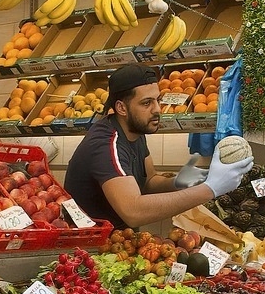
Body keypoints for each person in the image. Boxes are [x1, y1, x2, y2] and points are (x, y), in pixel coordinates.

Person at [63, 64, 253, 229]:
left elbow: (149, 181)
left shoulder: (134, 130)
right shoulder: (106, 144)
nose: (157, 109)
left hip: (119, 239)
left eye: (157, 99)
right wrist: (210, 189)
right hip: (88, 248)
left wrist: (179, 182)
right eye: (147, 103)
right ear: (121, 108)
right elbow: (133, 212)